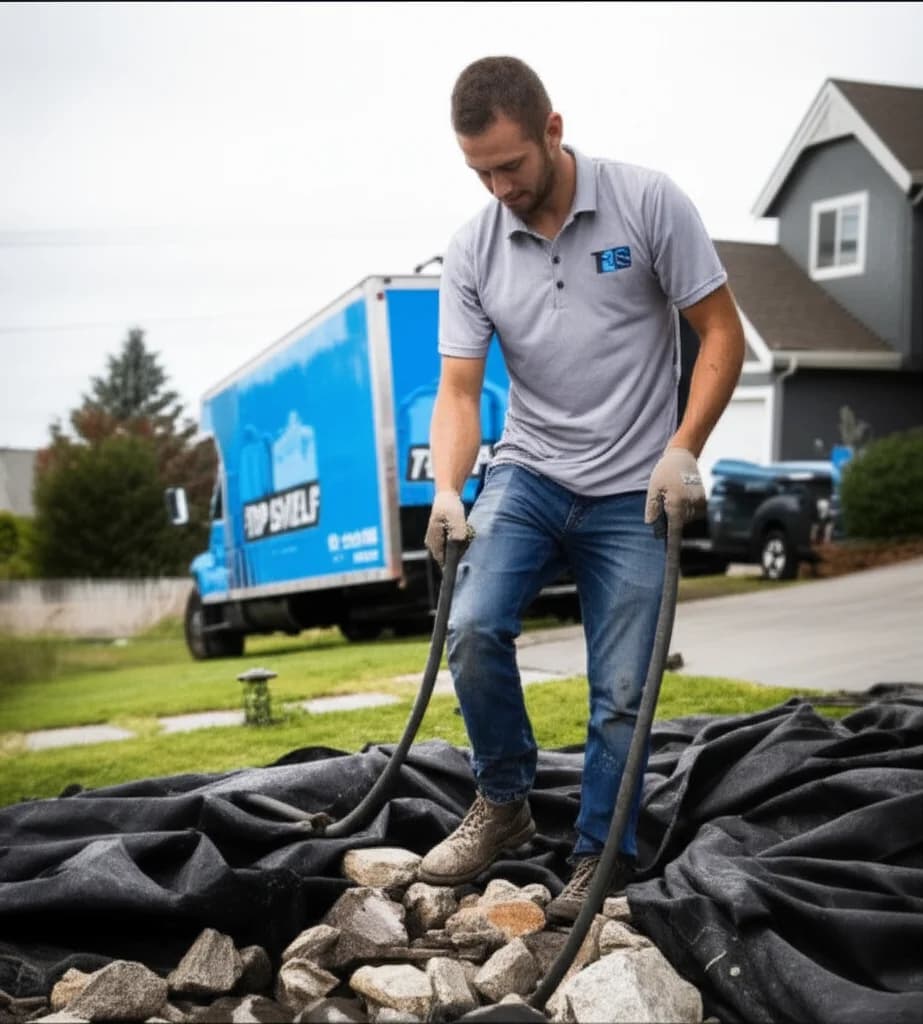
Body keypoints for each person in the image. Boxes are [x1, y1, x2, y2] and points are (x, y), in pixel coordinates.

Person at [418, 55, 745, 923]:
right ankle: (504, 800)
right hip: (527, 472)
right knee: (473, 625)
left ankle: (598, 853)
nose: (497, 187)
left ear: (552, 130)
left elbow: (720, 333)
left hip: (634, 487)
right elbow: (457, 389)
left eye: (510, 165)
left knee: (622, 692)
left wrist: (684, 447)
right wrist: (449, 488)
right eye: (478, 171)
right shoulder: (473, 247)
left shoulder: (646, 203)